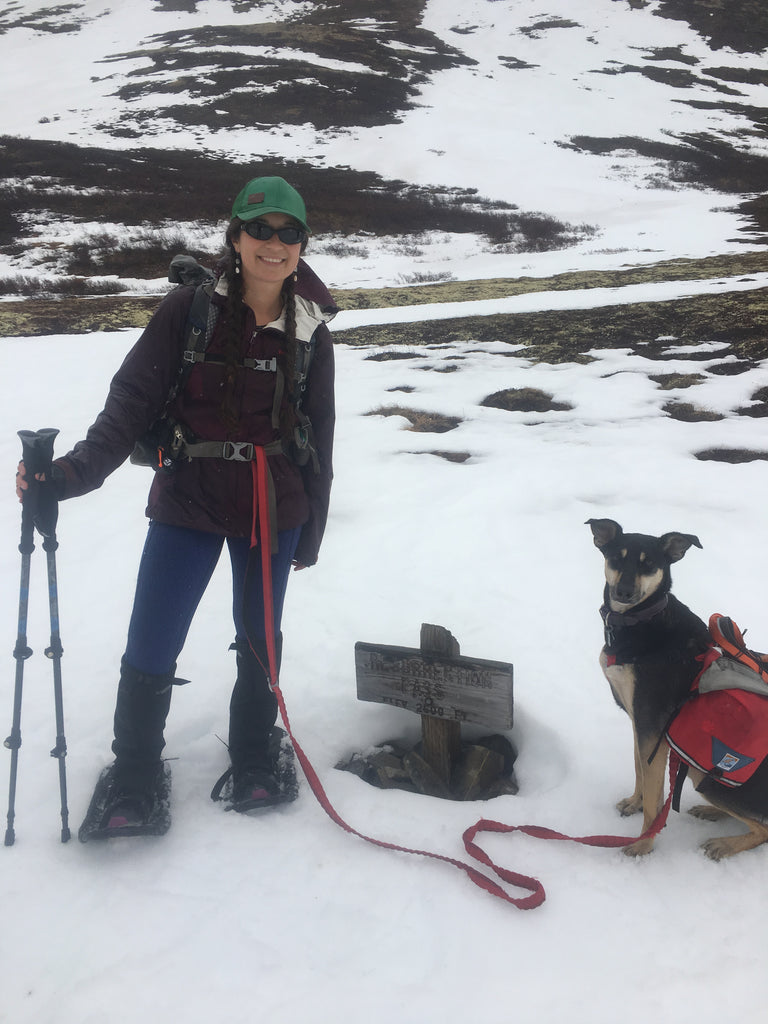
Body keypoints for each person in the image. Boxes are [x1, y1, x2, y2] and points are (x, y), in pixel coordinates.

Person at [16, 176, 336, 831]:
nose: (274, 245)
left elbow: (320, 438)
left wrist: (313, 533)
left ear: (303, 243)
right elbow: (129, 406)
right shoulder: (188, 312)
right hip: (187, 496)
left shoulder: (310, 331)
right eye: (261, 230)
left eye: (289, 232)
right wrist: (70, 475)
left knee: (260, 643)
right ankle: (134, 772)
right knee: (152, 641)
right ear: (237, 236)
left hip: (274, 508)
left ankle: (253, 755)